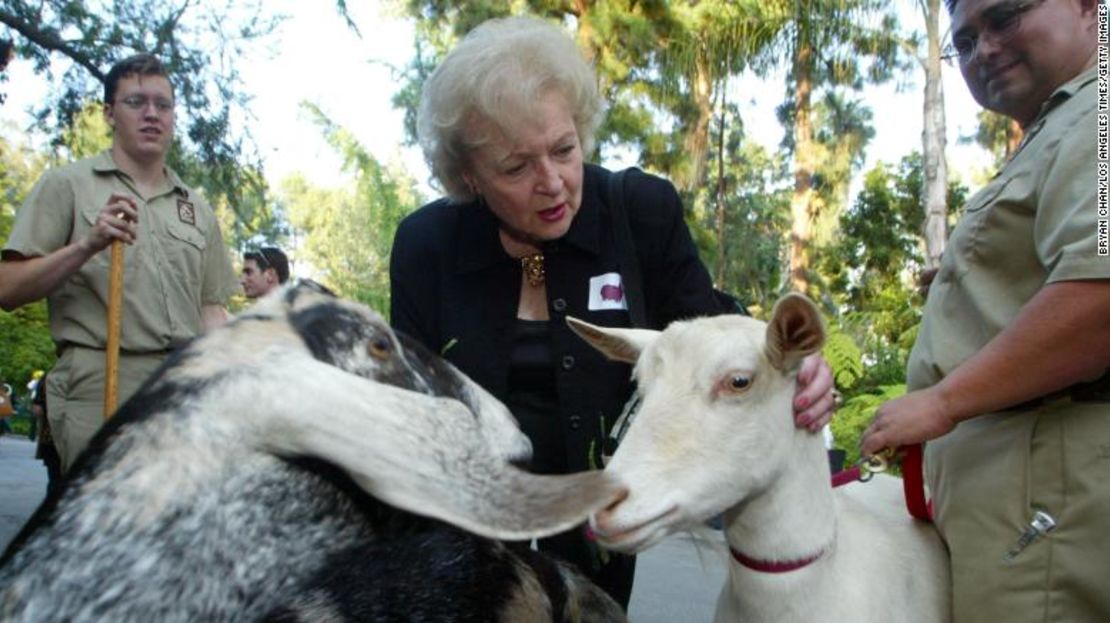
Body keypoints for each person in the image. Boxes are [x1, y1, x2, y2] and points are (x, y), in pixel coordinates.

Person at [389, 15, 837, 609]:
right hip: (468, 548)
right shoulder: (426, 247)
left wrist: (800, 368)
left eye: (563, 150)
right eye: (516, 168)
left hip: (600, 539)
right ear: (469, 175)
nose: (552, 183)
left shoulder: (639, 213)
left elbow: (714, 332)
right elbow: (406, 406)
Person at [861, 1, 1108, 620]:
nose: (984, 50)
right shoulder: (1061, 126)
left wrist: (942, 402)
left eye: (1006, 16)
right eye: (964, 41)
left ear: (1087, 8)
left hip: (1048, 490)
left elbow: (1101, 294)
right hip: (1016, 495)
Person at [0, 53, 238, 472]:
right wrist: (86, 246)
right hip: (100, 380)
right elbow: (8, 288)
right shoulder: (67, 185)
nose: (152, 115)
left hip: (180, 386)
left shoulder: (196, 209)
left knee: (173, 528)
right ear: (109, 113)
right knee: (102, 528)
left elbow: (211, 310)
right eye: (136, 103)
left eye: (163, 105)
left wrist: (231, 377)